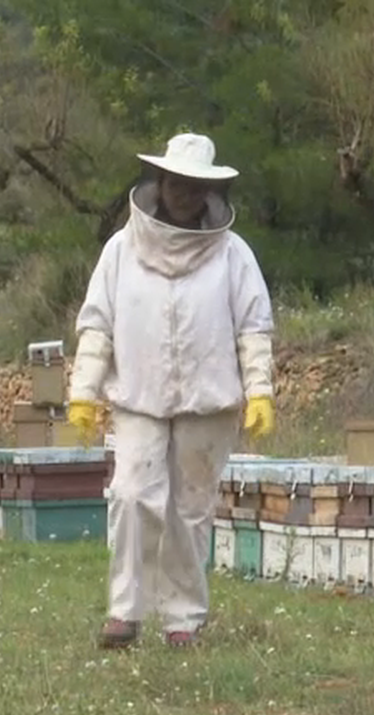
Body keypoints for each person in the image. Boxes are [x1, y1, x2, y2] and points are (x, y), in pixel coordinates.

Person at [66, 132, 277, 649]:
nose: (184, 193)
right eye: (176, 182)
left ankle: (183, 619)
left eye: (194, 185)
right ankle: (125, 612)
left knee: (190, 508)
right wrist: (83, 392)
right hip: (138, 396)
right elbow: (97, 324)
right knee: (131, 496)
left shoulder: (233, 254)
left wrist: (260, 391)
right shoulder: (121, 249)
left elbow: (253, 326)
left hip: (208, 401)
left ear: (210, 192)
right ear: (159, 183)